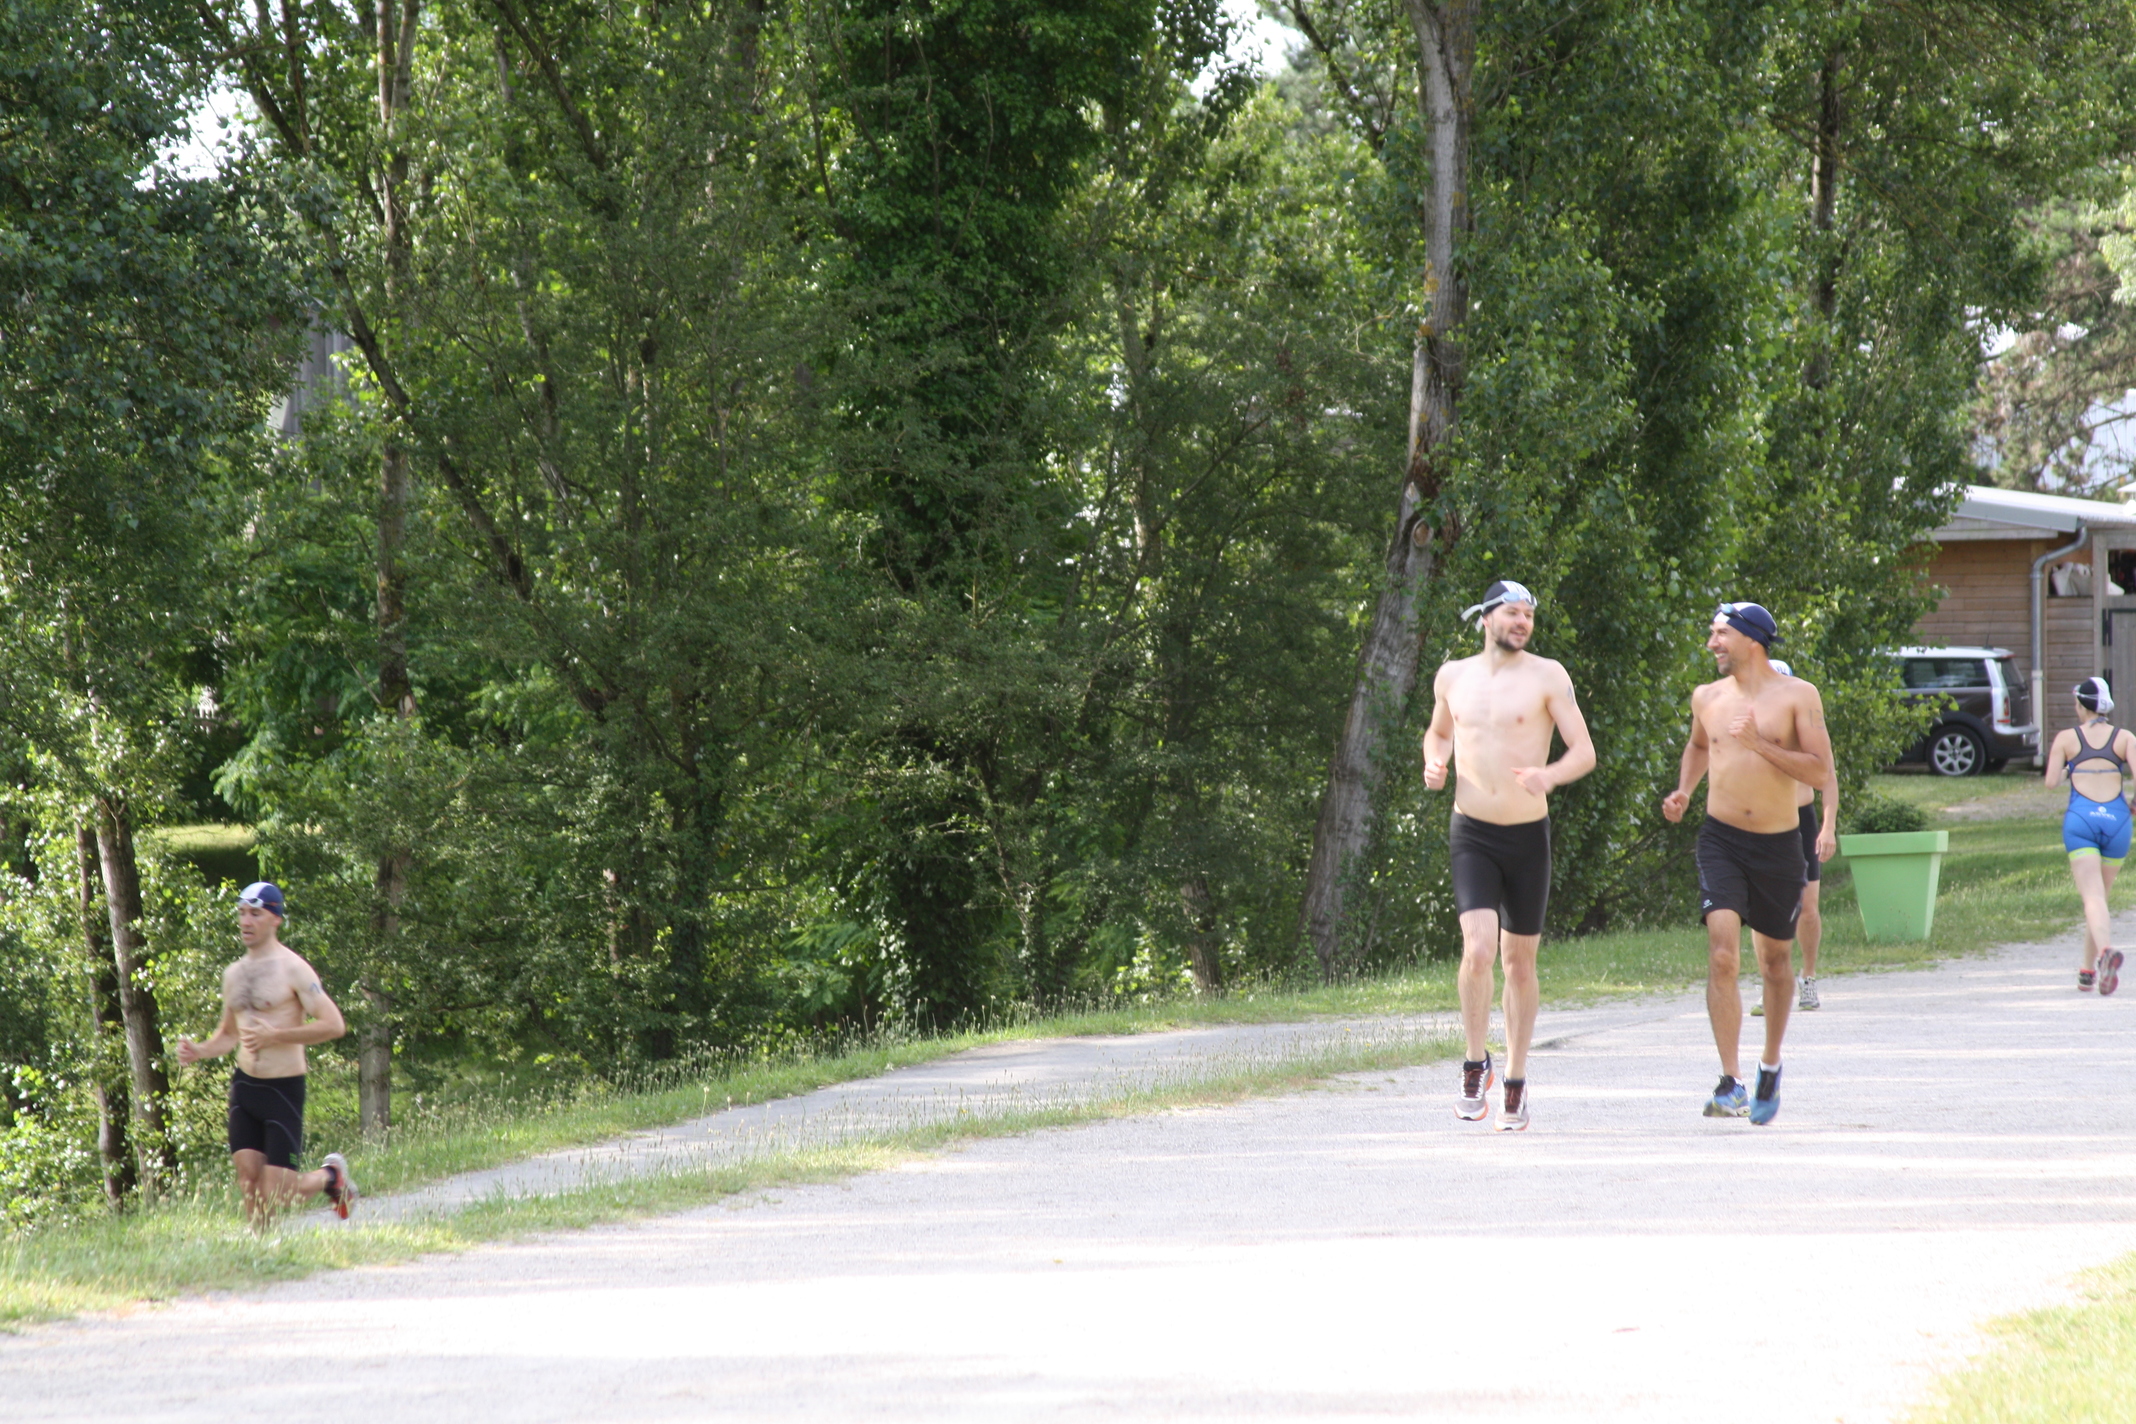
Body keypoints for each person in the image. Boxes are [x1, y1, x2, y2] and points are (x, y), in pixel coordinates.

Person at [1422, 579, 1597, 1131]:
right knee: (1477, 951)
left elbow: (1584, 751)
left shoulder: (1549, 675)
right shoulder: (1452, 676)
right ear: (1486, 618)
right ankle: (1476, 1065)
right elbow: (1438, 733)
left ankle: (1516, 1081)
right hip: (1471, 833)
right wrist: (1434, 762)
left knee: (1519, 964)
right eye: (1513, 613)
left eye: (1529, 615)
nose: (1523, 622)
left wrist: (1551, 774)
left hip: (1526, 837)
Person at [1661, 602, 1833, 1125]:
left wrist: (1760, 744)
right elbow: (1699, 747)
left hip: (1780, 844)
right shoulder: (1707, 697)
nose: (1711, 643)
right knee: (1721, 953)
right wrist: (1684, 790)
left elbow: (1820, 771)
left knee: (1776, 963)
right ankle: (1730, 1081)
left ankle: (1770, 1065)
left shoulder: (1798, 696)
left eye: (1720, 634)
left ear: (1752, 640)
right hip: (1721, 839)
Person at [176, 882, 357, 1225]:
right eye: (242, 913)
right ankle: (261, 1247)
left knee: (278, 1192)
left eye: (255, 914)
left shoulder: (294, 969)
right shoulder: (234, 974)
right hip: (245, 1087)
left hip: (282, 1089)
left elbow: (334, 1025)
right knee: (248, 1181)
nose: (246, 921)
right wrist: (199, 1050)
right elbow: (229, 1035)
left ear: (275, 919)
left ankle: (331, 1177)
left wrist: (276, 1036)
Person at [1752, 661, 1837, 1017]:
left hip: (1801, 819)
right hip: (1765, 820)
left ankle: (1808, 977)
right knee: (1762, 908)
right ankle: (1769, 981)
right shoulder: (1754, 729)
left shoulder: (1806, 730)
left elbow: (1828, 778)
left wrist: (1828, 827)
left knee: (1807, 906)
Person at [2043, 677, 2134, 995]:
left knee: (2093, 899)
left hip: (2081, 821)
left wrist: (2071, 768)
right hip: (2117, 822)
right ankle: (2087, 972)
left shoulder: (2066, 738)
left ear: (2082, 705)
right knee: (2099, 900)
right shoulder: (2125, 738)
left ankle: (2105, 952)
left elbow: (2050, 782)